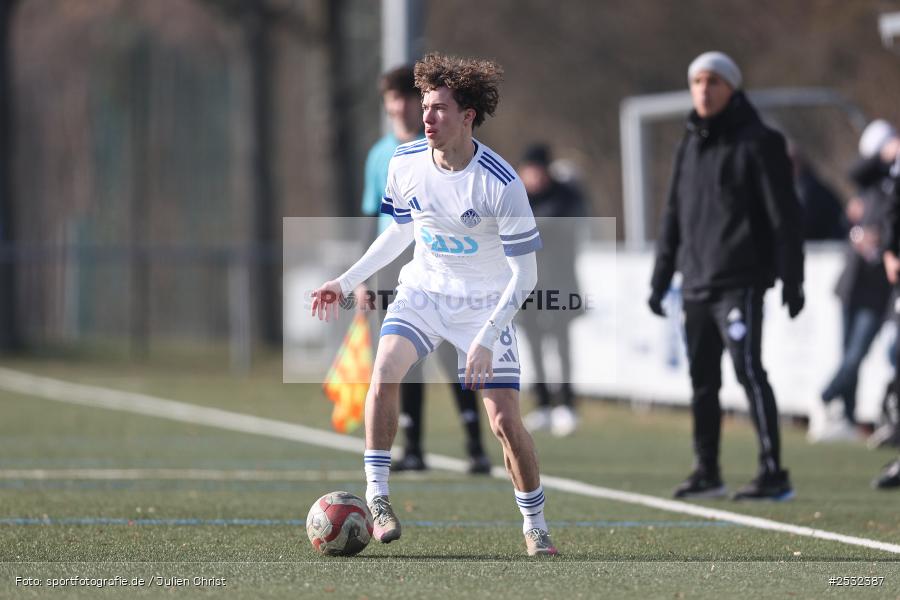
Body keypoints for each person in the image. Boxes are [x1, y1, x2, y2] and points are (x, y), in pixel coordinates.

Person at [311, 53, 557, 555]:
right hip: (423, 290)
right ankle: (378, 498)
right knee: (384, 372)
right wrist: (346, 278)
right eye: (425, 106)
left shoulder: (501, 182)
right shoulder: (404, 163)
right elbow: (400, 230)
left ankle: (535, 524)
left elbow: (526, 274)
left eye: (440, 108)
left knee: (505, 421)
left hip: (484, 305)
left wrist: (486, 339)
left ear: (467, 116)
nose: (427, 117)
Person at [648, 51, 805, 501]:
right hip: (695, 282)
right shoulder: (688, 143)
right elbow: (673, 216)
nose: (704, 88)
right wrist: (661, 279)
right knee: (702, 380)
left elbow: (785, 216)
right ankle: (707, 471)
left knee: (749, 370)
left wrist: (792, 278)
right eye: (697, 80)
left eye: (713, 81)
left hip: (741, 280)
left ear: (731, 88)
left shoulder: (760, 141)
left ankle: (774, 473)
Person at [358, 65, 491, 475]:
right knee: (401, 356)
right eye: (392, 98)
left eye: (407, 98)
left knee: (455, 347)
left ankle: (474, 443)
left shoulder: (436, 146)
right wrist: (363, 275)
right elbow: (372, 214)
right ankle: (412, 445)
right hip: (391, 262)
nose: (400, 106)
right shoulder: (381, 154)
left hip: (438, 257)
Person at [809, 120, 897, 443]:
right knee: (848, 353)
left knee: (856, 354)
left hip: (880, 290)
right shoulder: (869, 187)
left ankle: (824, 396)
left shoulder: (890, 187)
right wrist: (859, 233)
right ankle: (844, 416)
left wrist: (881, 240)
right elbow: (855, 173)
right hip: (853, 284)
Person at [517, 143, 587, 437]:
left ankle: (567, 405)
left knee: (561, 344)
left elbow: (563, 220)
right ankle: (543, 404)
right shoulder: (517, 197)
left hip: (560, 282)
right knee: (533, 345)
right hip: (528, 284)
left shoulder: (565, 195)